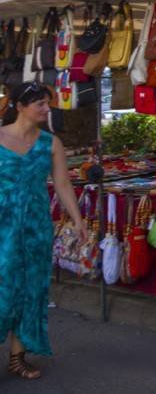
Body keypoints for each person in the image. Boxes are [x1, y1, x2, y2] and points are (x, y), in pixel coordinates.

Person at [0, 82, 86, 380]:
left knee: (32, 290)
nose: (47, 109)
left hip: (36, 226)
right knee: (3, 286)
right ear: (20, 106)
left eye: (48, 104)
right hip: (3, 225)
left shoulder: (51, 143)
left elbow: (62, 185)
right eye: (41, 104)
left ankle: (17, 358)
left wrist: (77, 219)